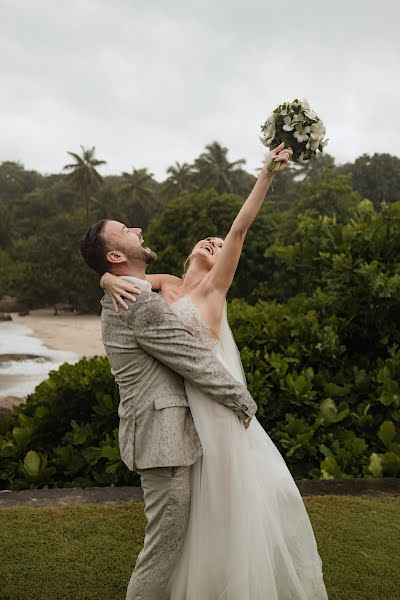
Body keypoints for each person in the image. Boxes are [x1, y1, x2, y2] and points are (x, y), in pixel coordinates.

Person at [101, 142, 329, 599]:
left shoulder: (212, 291)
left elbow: (240, 229)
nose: (214, 243)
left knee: (237, 503)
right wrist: (104, 277)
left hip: (217, 406)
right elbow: (121, 275)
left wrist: (266, 173)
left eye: (220, 245)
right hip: (181, 417)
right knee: (192, 519)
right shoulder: (163, 286)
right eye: (207, 241)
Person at [79, 219, 257, 599]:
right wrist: (241, 398)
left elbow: (156, 282)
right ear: (115, 254)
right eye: (126, 230)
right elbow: (192, 357)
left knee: (171, 547)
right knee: (161, 554)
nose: (138, 229)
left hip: (164, 438)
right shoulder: (138, 303)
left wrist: (104, 278)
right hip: (164, 443)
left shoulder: (128, 291)